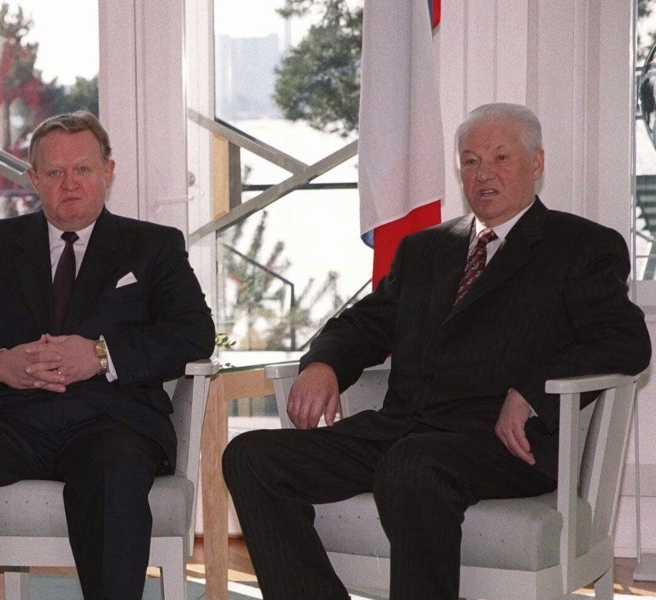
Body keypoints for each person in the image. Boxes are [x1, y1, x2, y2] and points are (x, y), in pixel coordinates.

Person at [222, 102, 652, 599]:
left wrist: (532, 392)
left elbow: (623, 340)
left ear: (536, 163)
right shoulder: (426, 249)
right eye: (469, 161)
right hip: (400, 431)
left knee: (412, 465)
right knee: (251, 455)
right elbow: (365, 322)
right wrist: (323, 363)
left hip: (498, 444)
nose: (482, 174)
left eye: (500, 158)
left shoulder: (579, 246)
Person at [0, 110, 215, 600]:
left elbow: (195, 333)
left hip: (109, 421)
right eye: (54, 173)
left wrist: (100, 354)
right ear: (33, 179)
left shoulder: (152, 247)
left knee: (113, 470)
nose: (69, 184)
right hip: (5, 419)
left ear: (108, 172)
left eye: (83, 170)